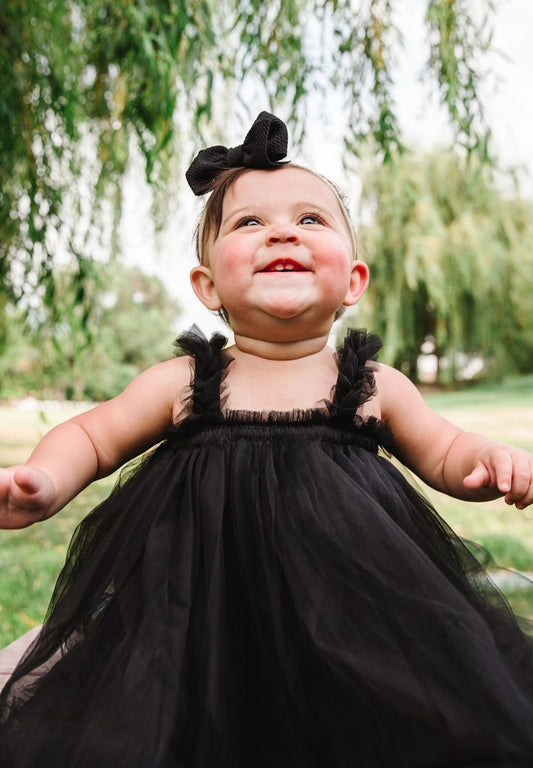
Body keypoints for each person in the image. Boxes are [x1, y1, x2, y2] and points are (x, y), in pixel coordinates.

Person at [0, 111, 532, 767]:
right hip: (197, 623)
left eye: (311, 220)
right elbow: (95, 434)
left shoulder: (370, 384)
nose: (282, 230)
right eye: (248, 222)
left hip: (354, 616)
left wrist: (488, 462)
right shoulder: (185, 381)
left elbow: (445, 450)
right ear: (207, 285)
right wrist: (45, 480)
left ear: (353, 283)